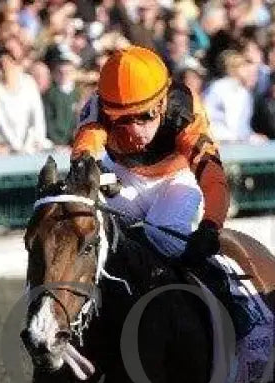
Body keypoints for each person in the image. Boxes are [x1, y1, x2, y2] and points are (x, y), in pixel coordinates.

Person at [70, 45, 258, 338]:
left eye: (144, 116)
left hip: (177, 178)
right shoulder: (97, 109)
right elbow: (85, 155)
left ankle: (229, 296)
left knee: (161, 233)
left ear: (162, 103)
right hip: (123, 176)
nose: (135, 131)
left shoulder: (185, 110)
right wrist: (92, 171)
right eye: (123, 120)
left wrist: (210, 226)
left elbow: (213, 177)